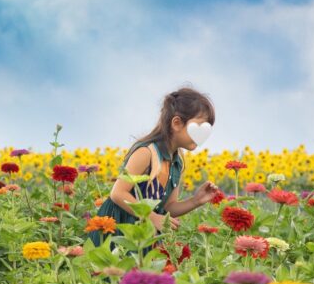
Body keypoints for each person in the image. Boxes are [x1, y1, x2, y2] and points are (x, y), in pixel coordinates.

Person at [88, 87, 221, 248]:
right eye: (199, 125)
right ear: (177, 123)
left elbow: (168, 207)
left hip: (143, 233)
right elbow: (118, 193)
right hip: (117, 230)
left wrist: (196, 201)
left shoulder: (176, 161)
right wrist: (152, 217)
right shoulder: (146, 152)